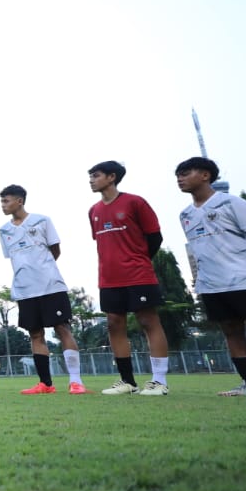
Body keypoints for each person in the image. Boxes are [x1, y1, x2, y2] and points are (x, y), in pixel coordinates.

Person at [175, 157, 246, 396]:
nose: (180, 178)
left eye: (186, 172)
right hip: (211, 283)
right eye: (178, 175)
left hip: (244, 279)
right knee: (231, 330)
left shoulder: (231, 203)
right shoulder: (186, 214)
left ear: (205, 175)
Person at [88, 161, 171, 396]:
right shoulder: (93, 211)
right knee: (114, 324)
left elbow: (154, 237)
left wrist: (138, 260)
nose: (91, 180)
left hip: (138, 274)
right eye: (91, 176)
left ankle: (159, 381)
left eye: (96, 175)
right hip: (108, 278)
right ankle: (128, 382)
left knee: (148, 321)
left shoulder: (135, 202)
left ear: (112, 177)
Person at [0, 186, 90, 396]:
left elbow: (55, 250)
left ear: (20, 201)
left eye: (6, 201)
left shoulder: (42, 220)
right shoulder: (4, 230)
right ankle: (45, 384)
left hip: (50, 286)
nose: (3, 205)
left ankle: (76, 382)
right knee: (35, 334)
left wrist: (43, 269)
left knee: (62, 328)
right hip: (24, 290)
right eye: (1, 202)